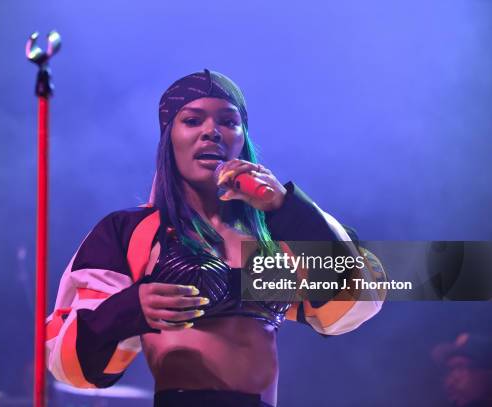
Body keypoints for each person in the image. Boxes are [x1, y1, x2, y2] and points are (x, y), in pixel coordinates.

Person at [45, 69, 385, 407]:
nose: (211, 132)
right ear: (169, 138)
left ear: (243, 137)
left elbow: (360, 297)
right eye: (192, 121)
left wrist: (284, 207)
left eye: (228, 121)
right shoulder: (131, 232)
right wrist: (130, 308)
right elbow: (65, 359)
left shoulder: (272, 233)